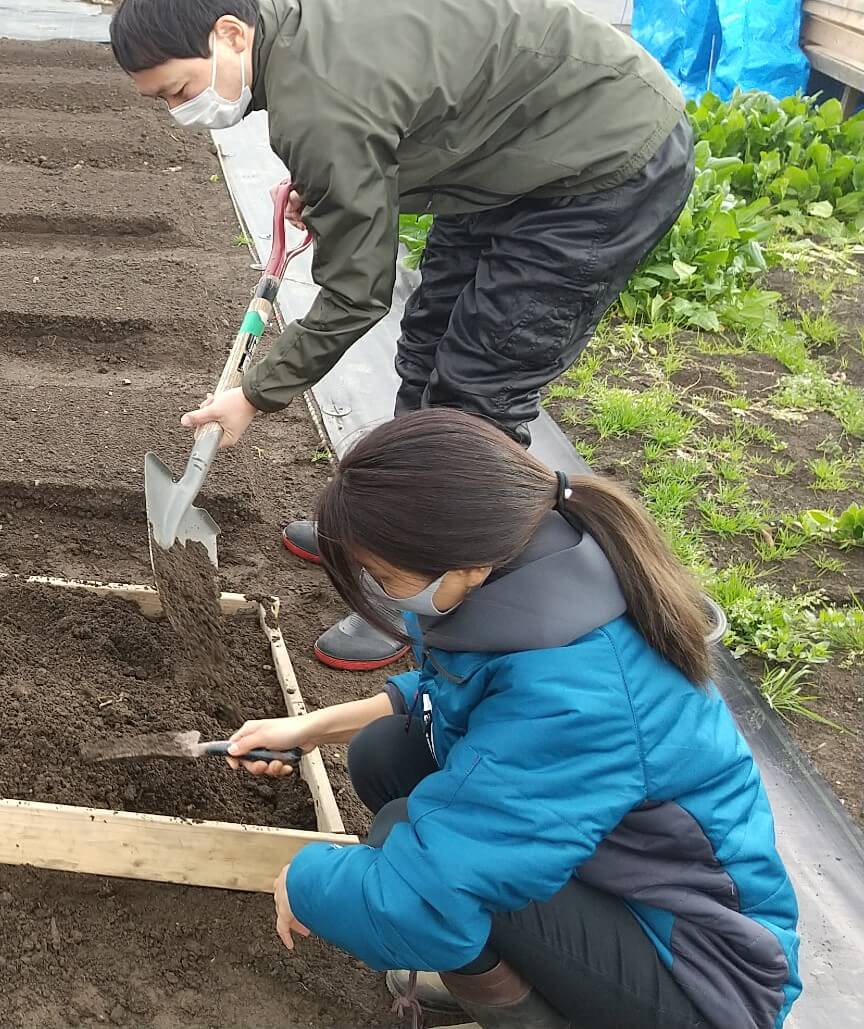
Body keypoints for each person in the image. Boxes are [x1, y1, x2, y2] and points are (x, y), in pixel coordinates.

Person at [110, 0, 696, 671]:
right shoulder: (292, 22)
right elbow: (392, 124)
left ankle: (426, 583)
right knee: (424, 344)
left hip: (602, 163)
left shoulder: (319, 105)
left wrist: (255, 394)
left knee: (479, 384)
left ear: (231, 34)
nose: (179, 110)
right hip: (519, 147)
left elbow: (357, 293)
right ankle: (388, 525)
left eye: (179, 89)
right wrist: (339, 193)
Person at [224, 410, 799, 1029]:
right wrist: (305, 728)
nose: (383, 593)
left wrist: (304, 880)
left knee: (409, 848)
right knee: (385, 752)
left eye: (387, 578)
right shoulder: (531, 568)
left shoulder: (577, 689)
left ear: (465, 564)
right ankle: (504, 966)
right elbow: (461, 692)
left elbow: (426, 896)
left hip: (702, 974)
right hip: (615, 870)